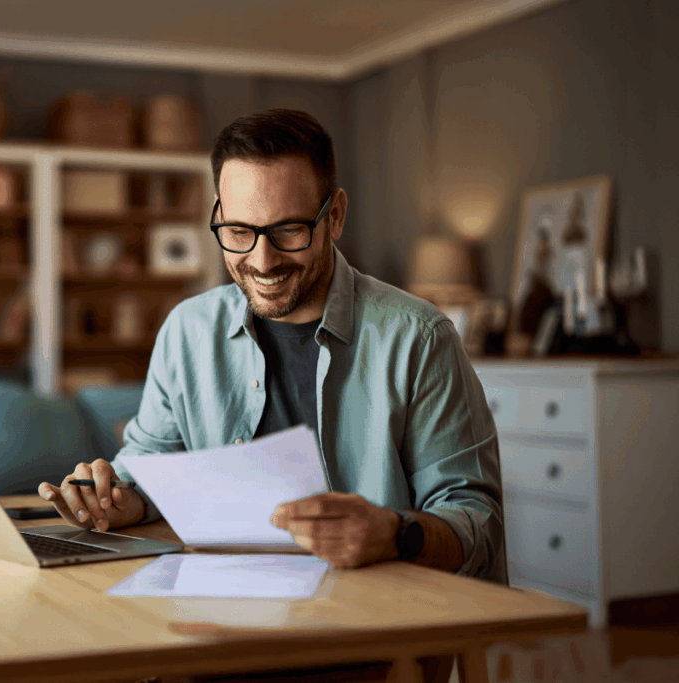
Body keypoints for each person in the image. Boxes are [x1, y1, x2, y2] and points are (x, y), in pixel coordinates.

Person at [38, 109, 505, 682]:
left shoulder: (419, 338)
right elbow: (149, 461)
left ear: (334, 215)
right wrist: (120, 496)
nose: (261, 261)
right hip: (204, 631)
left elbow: (477, 523)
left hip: (362, 642)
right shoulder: (187, 330)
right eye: (238, 232)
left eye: (288, 230)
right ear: (217, 214)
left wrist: (395, 532)